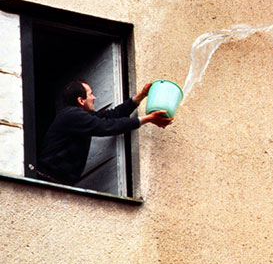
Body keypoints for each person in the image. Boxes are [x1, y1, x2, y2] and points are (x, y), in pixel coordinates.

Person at [36, 80, 172, 186]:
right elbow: (107, 126)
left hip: (58, 182)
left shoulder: (76, 116)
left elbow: (111, 116)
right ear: (81, 100)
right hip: (48, 180)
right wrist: (147, 119)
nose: (94, 98)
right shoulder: (72, 116)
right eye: (90, 94)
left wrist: (141, 95)